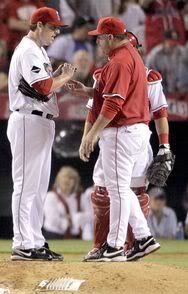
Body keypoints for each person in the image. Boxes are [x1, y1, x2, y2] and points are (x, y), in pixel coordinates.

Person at [70, 31, 172, 261]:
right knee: (114, 189)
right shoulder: (117, 67)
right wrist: (88, 132)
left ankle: (115, 246)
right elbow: (97, 104)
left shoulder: (131, 67)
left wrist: (164, 146)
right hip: (129, 134)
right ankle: (142, 238)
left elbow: (151, 110)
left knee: (120, 191)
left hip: (124, 133)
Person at [7, 6, 76, 261]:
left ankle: (34, 240)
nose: (56, 32)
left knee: (37, 188)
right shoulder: (27, 50)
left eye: (57, 28)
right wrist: (62, 76)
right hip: (28, 121)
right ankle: (22, 242)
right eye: (52, 27)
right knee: (26, 186)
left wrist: (57, 75)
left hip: (41, 121)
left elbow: (43, 85)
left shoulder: (39, 51)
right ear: (37, 26)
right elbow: (44, 88)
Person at [43, 166, 94, 240]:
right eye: (64, 177)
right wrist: (69, 222)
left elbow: (90, 215)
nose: (67, 180)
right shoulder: (51, 196)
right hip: (53, 236)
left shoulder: (81, 197)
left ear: (75, 182)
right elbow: (52, 219)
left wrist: (73, 218)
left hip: (76, 237)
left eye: (71, 178)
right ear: (58, 180)